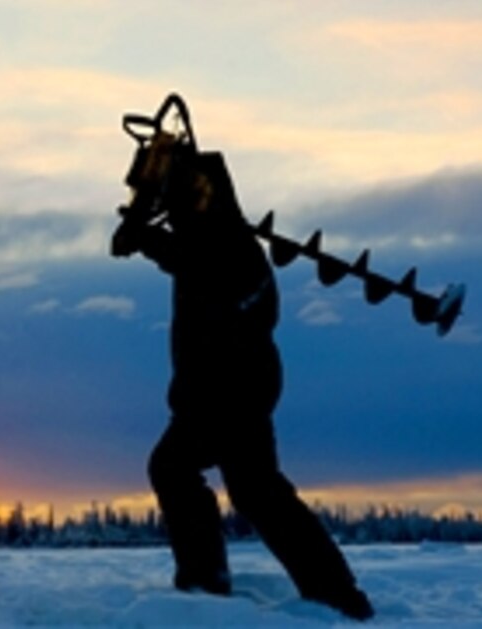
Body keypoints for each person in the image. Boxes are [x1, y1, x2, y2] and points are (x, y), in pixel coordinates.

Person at [111, 129, 374, 621]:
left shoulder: (226, 243)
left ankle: (209, 587)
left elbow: (206, 270)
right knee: (254, 489)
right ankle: (334, 595)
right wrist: (146, 235)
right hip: (220, 389)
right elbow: (186, 258)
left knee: (187, 472)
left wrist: (147, 238)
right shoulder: (209, 237)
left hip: (230, 391)